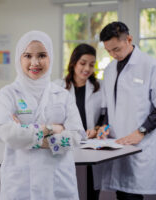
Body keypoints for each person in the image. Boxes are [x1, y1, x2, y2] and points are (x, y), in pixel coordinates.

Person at [0, 30, 84, 200]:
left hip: (57, 182)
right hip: (20, 183)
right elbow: (7, 132)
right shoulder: (8, 94)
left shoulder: (63, 95)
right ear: (19, 59)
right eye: (27, 56)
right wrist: (53, 128)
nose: (35, 62)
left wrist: (28, 134)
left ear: (51, 58)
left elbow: (77, 135)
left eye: (42, 55)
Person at [97, 21, 156, 200]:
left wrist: (141, 131)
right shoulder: (110, 69)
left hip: (141, 143)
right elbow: (109, 106)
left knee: (132, 195)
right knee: (122, 194)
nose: (113, 55)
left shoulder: (151, 66)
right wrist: (104, 126)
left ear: (128, 39)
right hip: (118, 143)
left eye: (116, 49)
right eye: (108, 51)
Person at [55, 43, 104, 200]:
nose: (87, 69)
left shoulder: (99, 88)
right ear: (74, 62)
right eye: (83, 63)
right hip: (67, 143)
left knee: (90, 189)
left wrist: (96, 129)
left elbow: (105, 116)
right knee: (65, 187)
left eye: (91, 64)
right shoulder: (58, 86)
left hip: (90, 145)